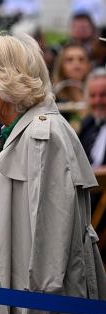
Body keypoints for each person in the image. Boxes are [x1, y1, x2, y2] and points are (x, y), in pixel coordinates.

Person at [0, 33, 106, 314]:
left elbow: (51, 229)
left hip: (42, 312)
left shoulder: (44, 136)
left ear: (7, 80)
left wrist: (41, 303)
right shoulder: (27, 130)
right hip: (20, 295)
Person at [79, 67, 106, 231]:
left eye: (103, 95)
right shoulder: (88, 123)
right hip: (87, 199)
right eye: (93, 96)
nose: (98, 101)